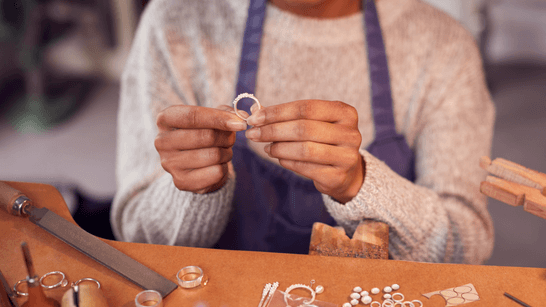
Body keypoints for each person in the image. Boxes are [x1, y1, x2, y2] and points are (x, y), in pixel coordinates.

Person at [111, 0, 495, 264]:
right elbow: (137, 238)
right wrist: (194, 193)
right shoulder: (174, 24)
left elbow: (466, 245)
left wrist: (361, 185)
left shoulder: (443, 46)